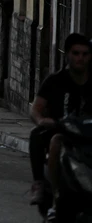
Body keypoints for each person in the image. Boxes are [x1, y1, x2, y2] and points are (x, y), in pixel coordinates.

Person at [28, 33, 92, 208]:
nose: (80, 58)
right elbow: (36, 108)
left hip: (87, 136)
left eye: (85, 54)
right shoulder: (55, 81)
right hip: (63, 131)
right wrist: (42, 120)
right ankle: (48, 190)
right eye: (76, 53)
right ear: (68, 55)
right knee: (46, 138)